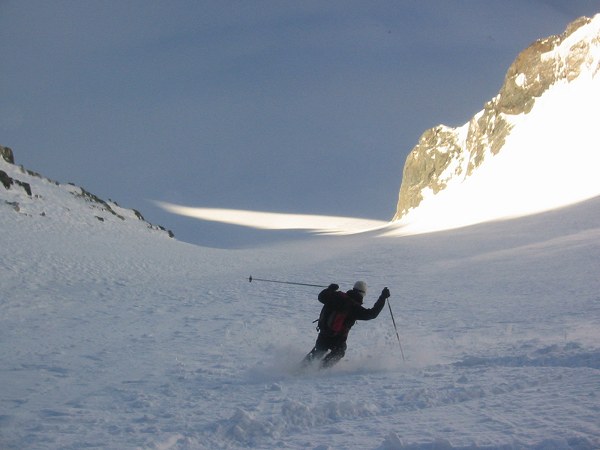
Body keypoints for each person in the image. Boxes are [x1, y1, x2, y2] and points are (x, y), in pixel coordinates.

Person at [303, 281, 390, 368]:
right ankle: (321, 369)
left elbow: (321, 297)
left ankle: (300, 369)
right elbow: (372, 314)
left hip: (324, 332)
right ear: (363, 294)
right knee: (340, 352)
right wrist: (383, 298)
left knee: (318, 351)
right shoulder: (354, 307)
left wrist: (330, 289)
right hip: (338, 338)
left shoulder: (336, 296)